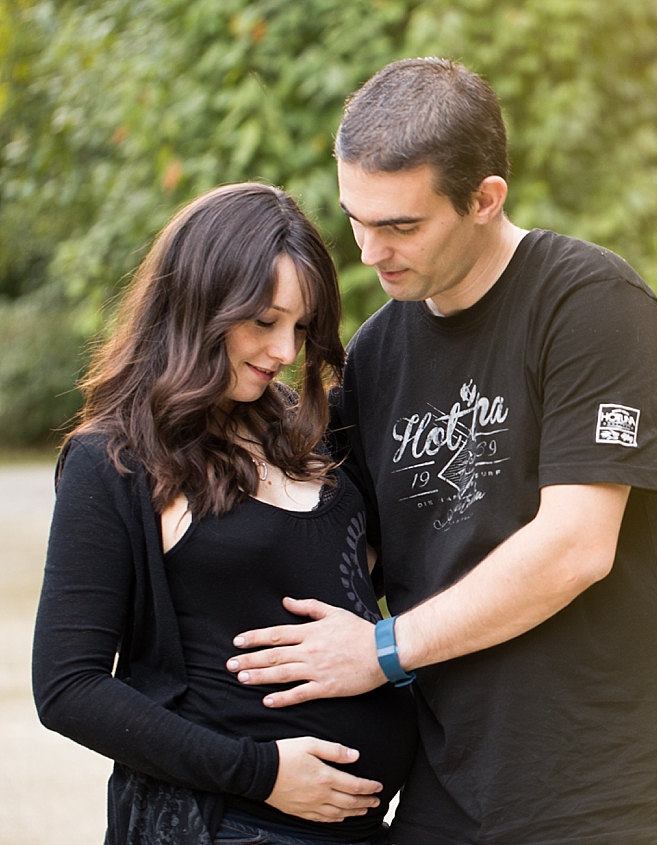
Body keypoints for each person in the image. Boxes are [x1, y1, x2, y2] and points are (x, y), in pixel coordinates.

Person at [226, 59, 657, 845]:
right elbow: (338, 550)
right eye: (356, 219)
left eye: (401, 226)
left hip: (611, 799)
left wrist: (381, 651)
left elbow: (575, 546)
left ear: (485, 199)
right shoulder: (379, 352)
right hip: (448, 802)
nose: (370, 252)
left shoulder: (592, 307)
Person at [31, 183, 417, 845]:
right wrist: (259, 771)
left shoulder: (308, 436)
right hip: (231, 823)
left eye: (300, 327)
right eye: (264, 321)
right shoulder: (117, 460)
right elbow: (68, 685)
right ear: (200, 303)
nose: (285, 351)